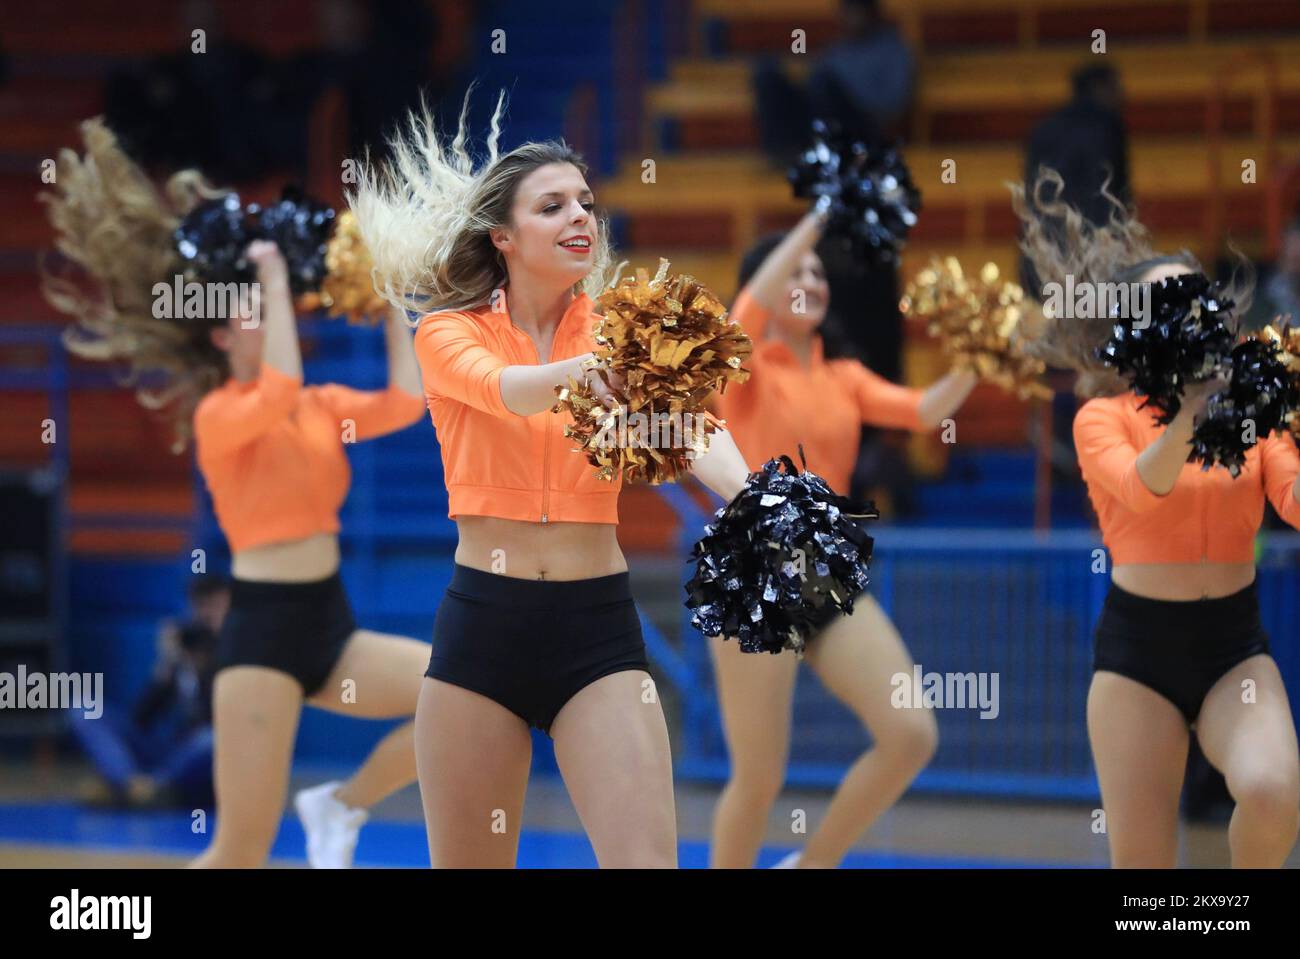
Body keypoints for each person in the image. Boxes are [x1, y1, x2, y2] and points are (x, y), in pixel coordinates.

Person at [353, 91, 753, 867]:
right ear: (503, 236)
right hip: (481, 632)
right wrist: (601, 371)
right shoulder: (448, 332)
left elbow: (694, 427)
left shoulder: (619, 328)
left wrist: (761, 496)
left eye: (586, 203)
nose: (580, 217)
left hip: (595, 631)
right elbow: (502, 388)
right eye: (552, 205)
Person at [44, 119, 433, 869]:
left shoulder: (318, 407)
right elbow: (279, 378)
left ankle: (342, 802)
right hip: (258, 636)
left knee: (458, 693)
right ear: (221, 337)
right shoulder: (221, 416)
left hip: (331, 621)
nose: (266, 313)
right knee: (238, 849)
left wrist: (389, 302)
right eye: (251, 309)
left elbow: (406, 400)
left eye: (266, 303)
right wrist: (276, 277)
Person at [1013, 168, 1300, 867]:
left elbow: (1293, 500)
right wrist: (1191, 415)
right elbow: (1145, 490)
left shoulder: (1254, 413)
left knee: (1271, 792)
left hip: (1234, 642)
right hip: (1138, 653)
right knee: (1144, 870)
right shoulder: (1101, 418)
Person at [707, 208, 979, 868]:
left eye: (819, 271)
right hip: (755, 567)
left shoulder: (845, 376)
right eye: (795, 269)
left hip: (827, 567)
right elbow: (748, 303)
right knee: (761, 775)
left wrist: (979, 359)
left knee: (910, 730)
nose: (810, 279)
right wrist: (822, 217)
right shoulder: (742, 368)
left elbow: (924, 411)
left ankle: (814, 862)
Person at [71, 574, 227, 809]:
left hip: (202, 761)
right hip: (171, 752)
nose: (206, 615)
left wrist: (204, 669)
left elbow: (219, 723)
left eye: (215, 607)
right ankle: (131, 784)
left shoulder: (239, 655)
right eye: (201, 606)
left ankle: (142, 788)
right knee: (84, 709)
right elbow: (141, 719)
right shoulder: (185, 652)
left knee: (211, 738)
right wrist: (166, 668)